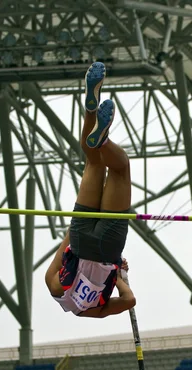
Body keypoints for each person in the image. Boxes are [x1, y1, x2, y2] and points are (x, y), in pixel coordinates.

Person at [45, 61, 136, 318]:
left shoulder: (93, 310)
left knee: (120, 169)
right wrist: (70, 234)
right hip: (80, 237)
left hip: (108, 249)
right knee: (93, 162)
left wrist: (118, 276)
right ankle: (90, 111)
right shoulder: (56, 290)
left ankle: (104, 140)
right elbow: (62, 253)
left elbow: (129, 301)